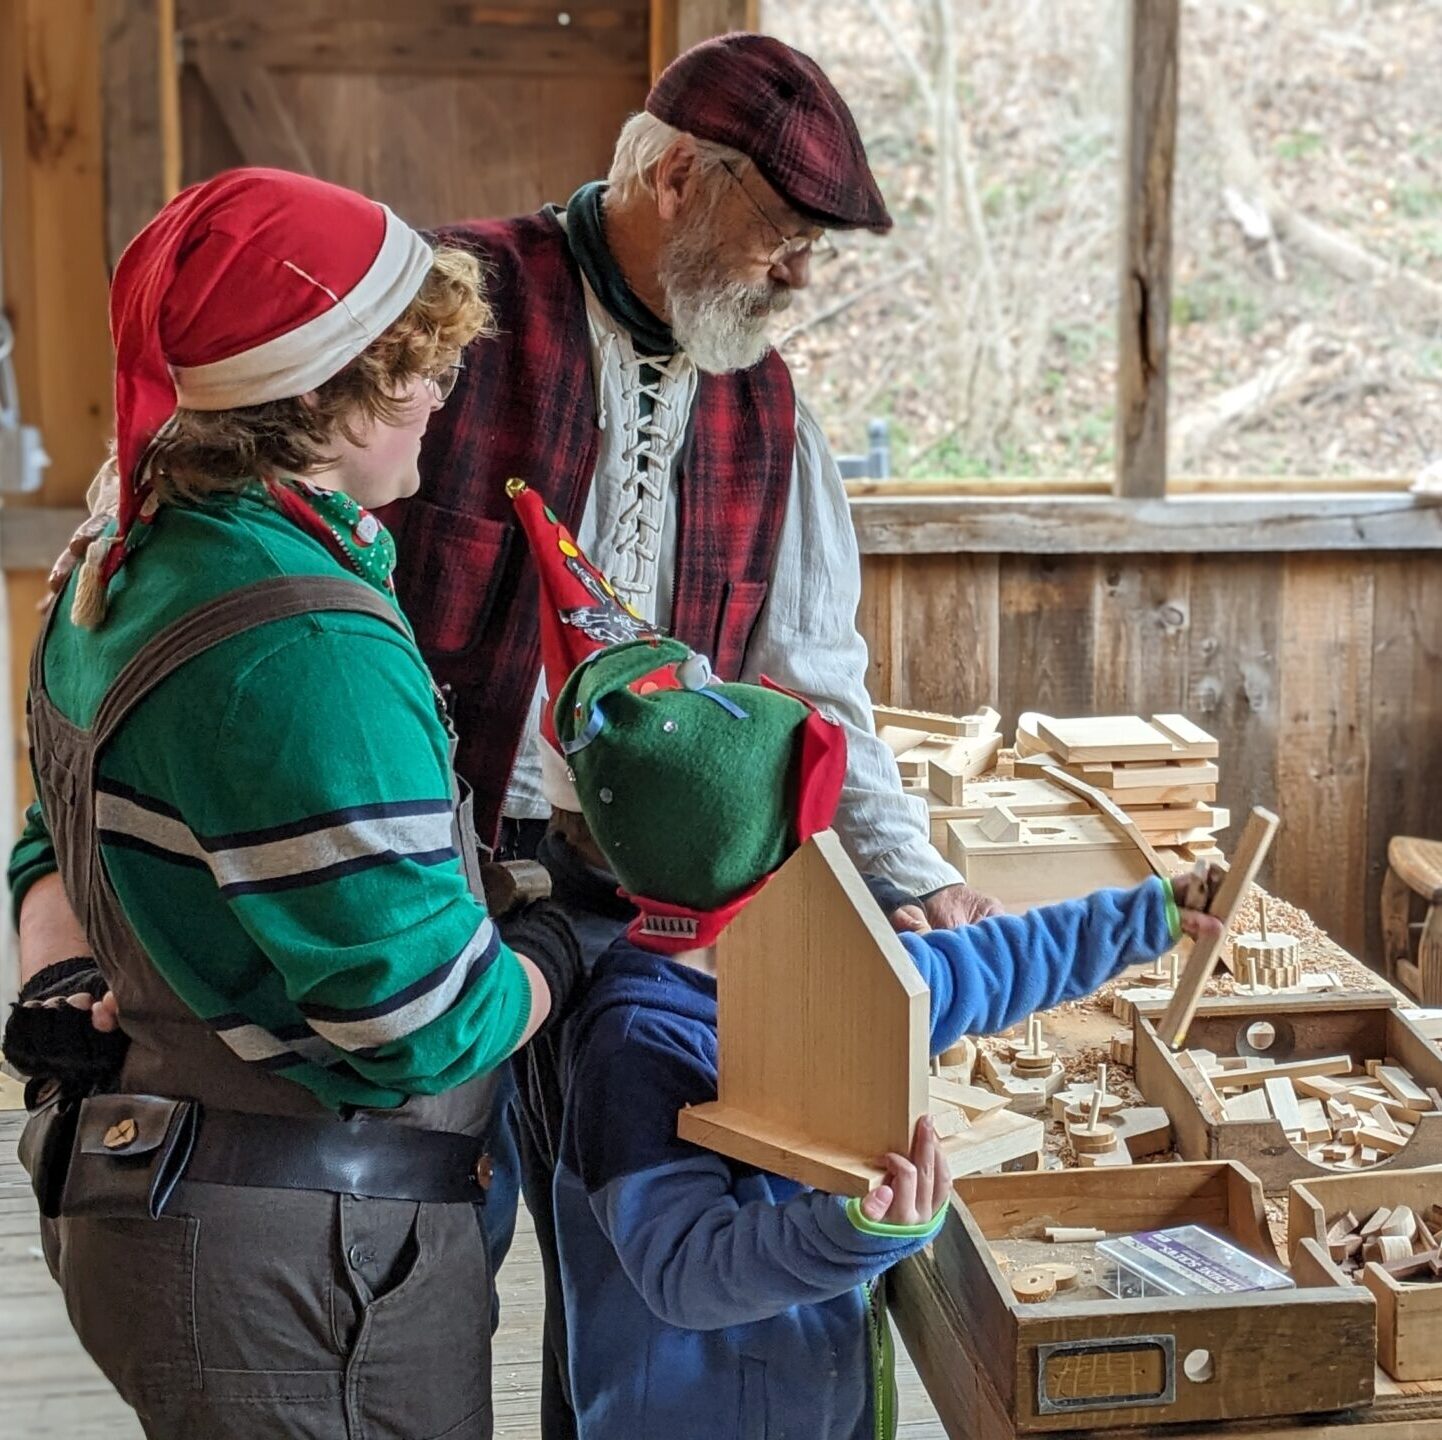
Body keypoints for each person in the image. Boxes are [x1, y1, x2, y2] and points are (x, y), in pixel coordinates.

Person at [384, 37, 1001, 1429]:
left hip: (654, 922)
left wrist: (906, 874)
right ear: (676, 176)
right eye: (785, 241)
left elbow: (813, 681)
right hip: (433, 893)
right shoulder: (443, 306)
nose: (800, 282)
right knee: (432, 1256)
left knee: (630, 1276)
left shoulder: (764, 400)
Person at [1, 167, 581, 1440]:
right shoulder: (303, 645)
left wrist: (54, 979)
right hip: (305, 1277)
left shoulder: (118, 556)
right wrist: (561, 943)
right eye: (409, 369)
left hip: (156, 1199)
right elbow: (419, 1025)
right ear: (312, 395)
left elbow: (49, 833)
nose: (440, 392)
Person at [517, 515, 1223, 1440]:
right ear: (765, 861)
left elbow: (986, 964)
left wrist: (1151, 916)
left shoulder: (820, 967)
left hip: (816, 1394)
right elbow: (684, 1269)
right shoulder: (639, 1044)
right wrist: (853, 1233)